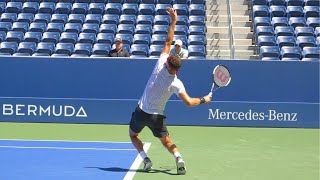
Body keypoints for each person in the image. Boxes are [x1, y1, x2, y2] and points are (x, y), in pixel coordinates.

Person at [128, 8, 212, 175]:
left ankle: (146, 160)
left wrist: (174, 21)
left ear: (168, 63)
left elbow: (168, 42)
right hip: (156, 117)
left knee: (133, 135)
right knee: (167, 142)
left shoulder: (159, 64)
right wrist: (204, 99)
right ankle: (179, 158)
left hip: (141, 111)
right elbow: (189, 103)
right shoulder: (176, 83)